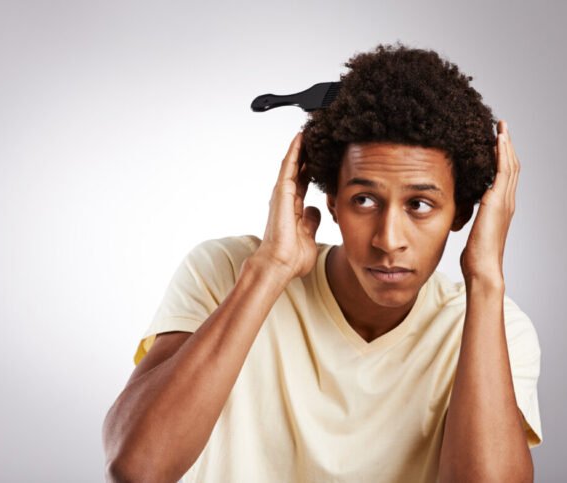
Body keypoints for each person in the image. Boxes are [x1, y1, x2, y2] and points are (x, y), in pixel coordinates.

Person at [102, 42, 543, 483]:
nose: (389, 240)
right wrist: (269, 271)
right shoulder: (226, 271)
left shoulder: (494, 325)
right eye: (364, 200)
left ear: (461, 213)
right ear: (332, 201)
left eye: (420, 205)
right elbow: (138, 467)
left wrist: (485, 280)